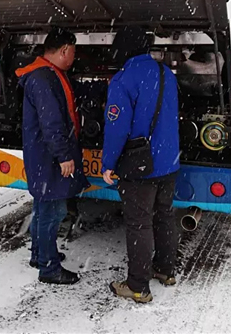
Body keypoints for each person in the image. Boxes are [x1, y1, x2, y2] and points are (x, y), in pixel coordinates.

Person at [102, 26, 180, 303]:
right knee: (164, 215)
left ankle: (137, 286)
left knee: (139, 223)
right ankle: (165, 270)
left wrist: (108, 163)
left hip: (140, 164)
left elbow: (116, 128)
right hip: (169, 161)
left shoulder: (123, 79)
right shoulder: (166, 73)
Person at [15, 28, 89, 285]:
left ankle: (39, 255)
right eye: (73, 52)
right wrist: (63, 155)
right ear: (65, 50)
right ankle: (49, 268)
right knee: (53, 212)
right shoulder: (44, 78)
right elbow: (52, 122)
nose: (73, 58)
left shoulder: (44, 74)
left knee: (42, 206)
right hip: (48, 157)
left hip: (41, 155)